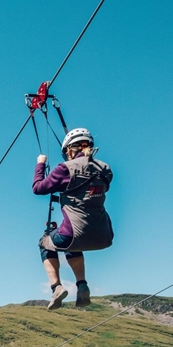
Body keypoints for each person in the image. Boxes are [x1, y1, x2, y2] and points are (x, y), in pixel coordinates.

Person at [32, 127, 114, 310]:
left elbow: (38, 188)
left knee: (44, 242)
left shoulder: (65, 169)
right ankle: (82, 285)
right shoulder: (105, 170)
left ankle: (56, 287)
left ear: (69, 150)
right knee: (70, 240)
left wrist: (40, 165)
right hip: (103, 235)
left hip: (73, 234)